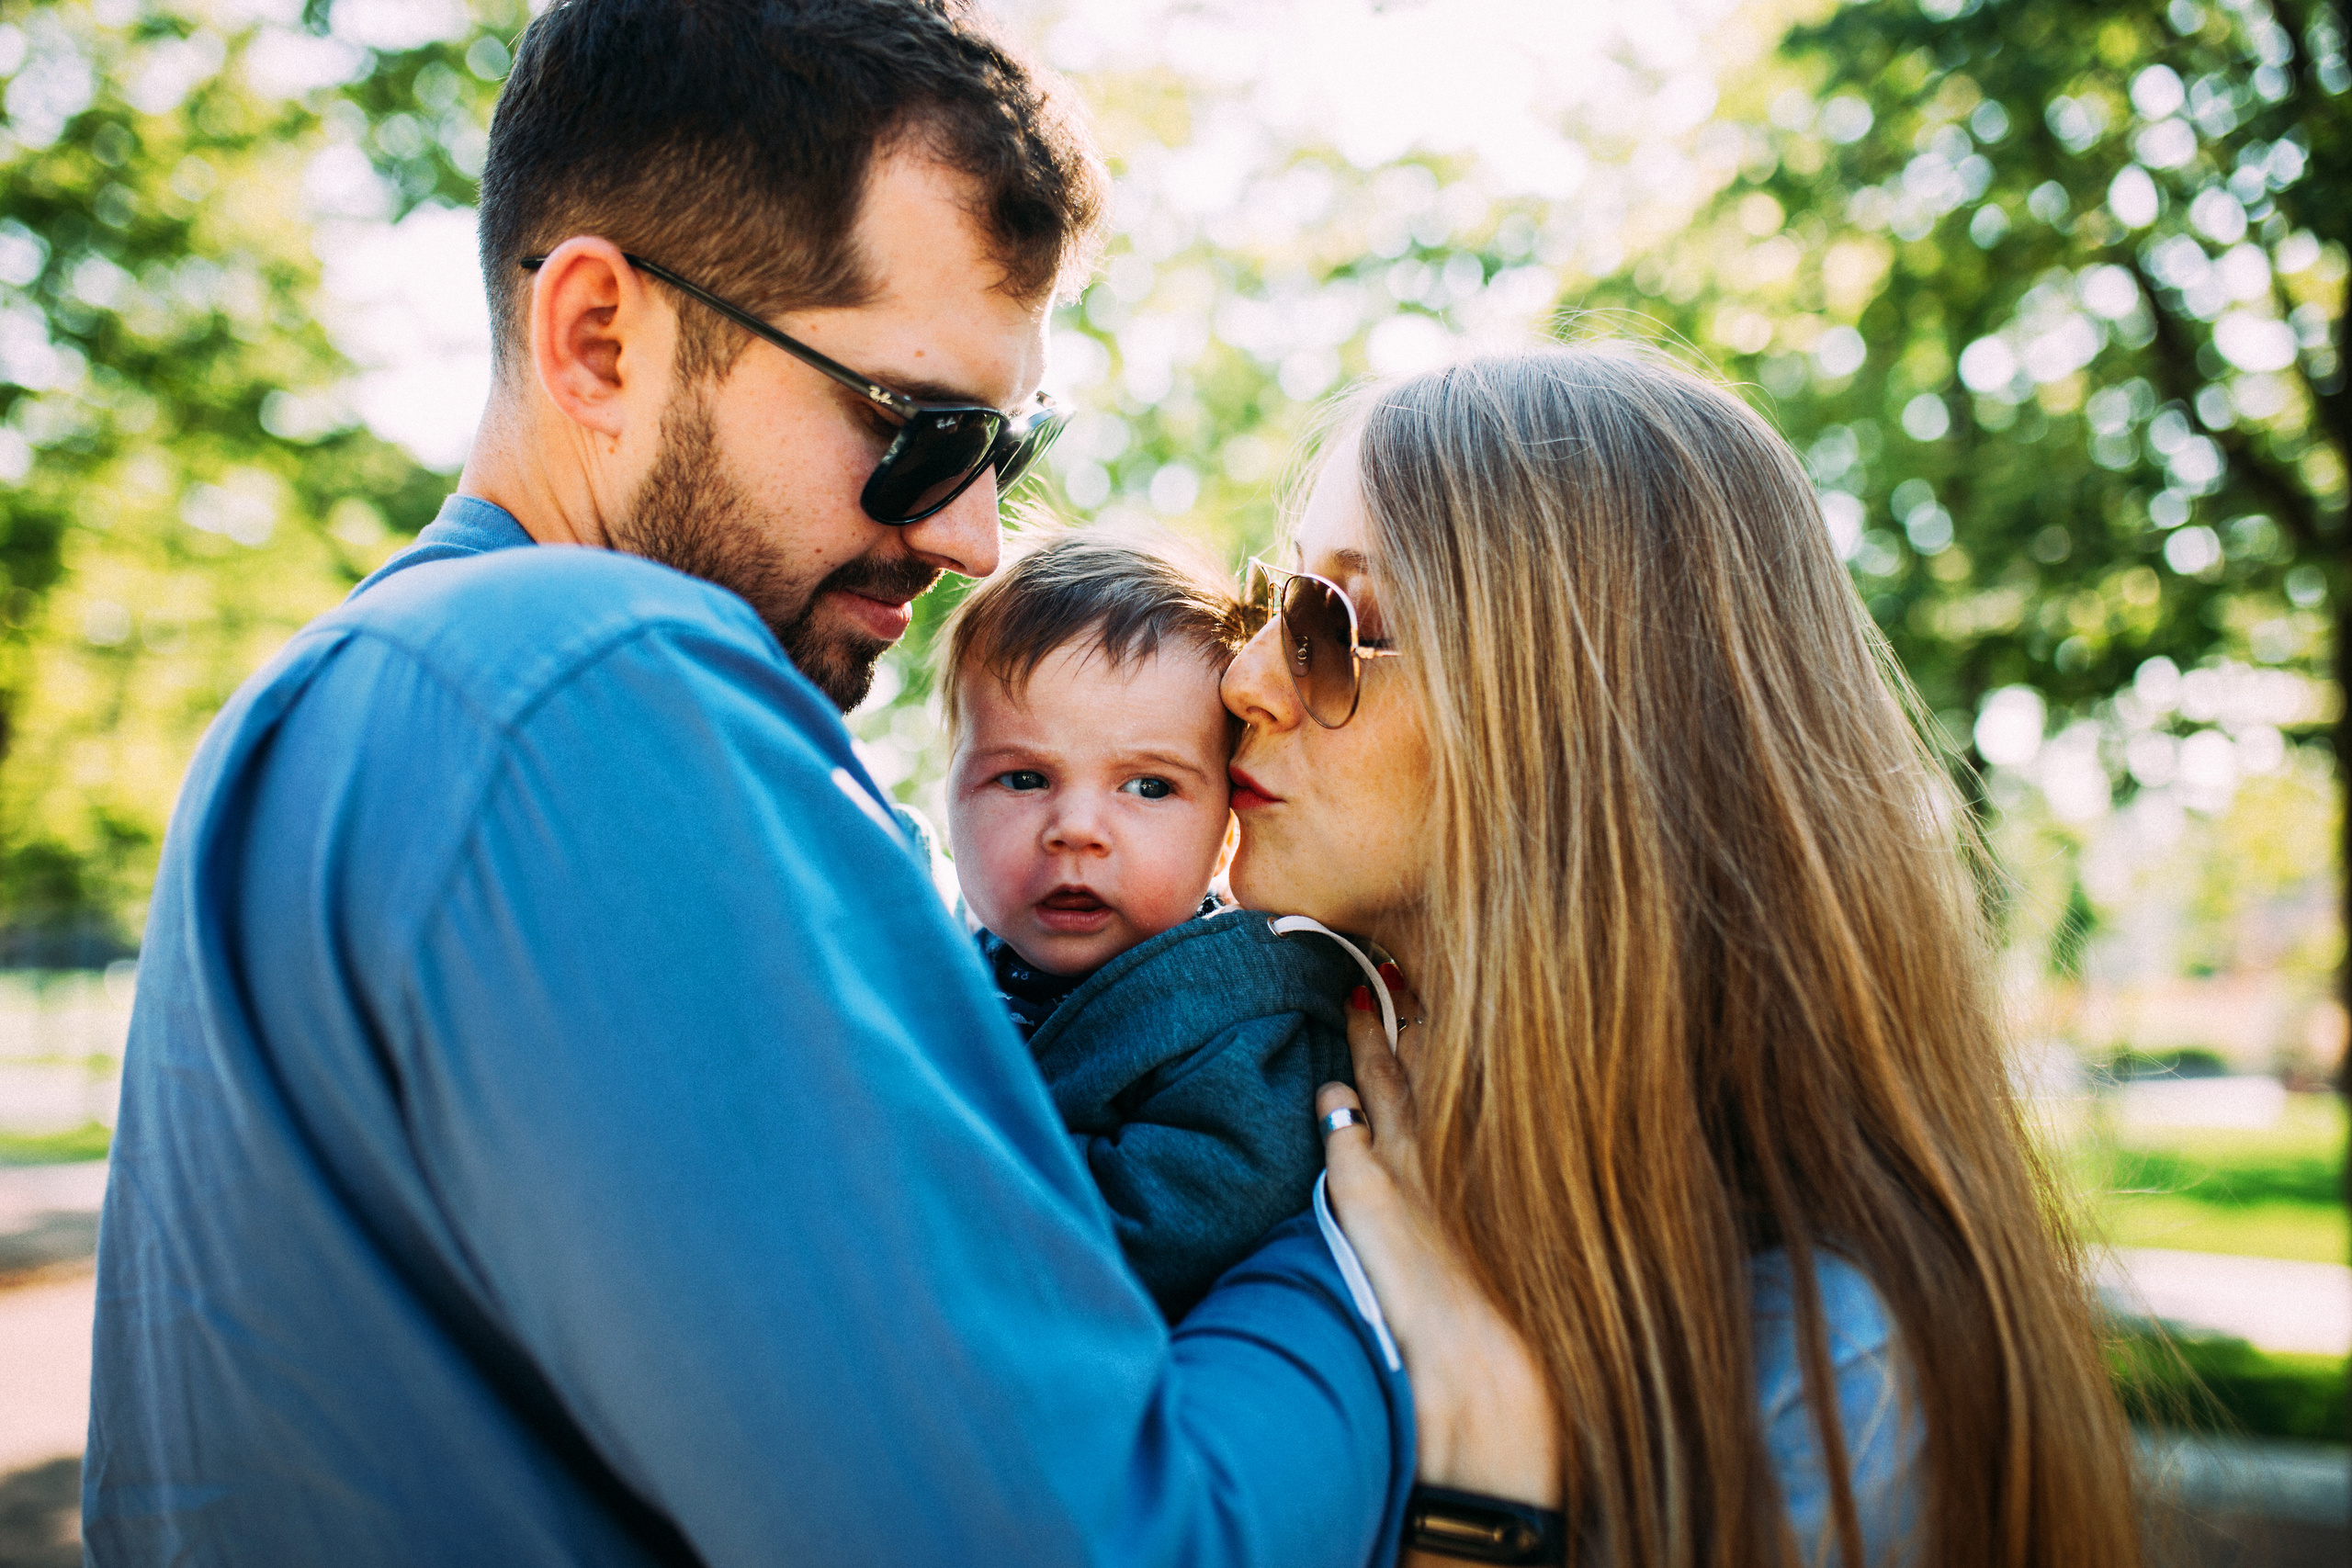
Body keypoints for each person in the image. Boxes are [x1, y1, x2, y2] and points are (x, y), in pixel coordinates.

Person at [82, 4, 1550, 1562]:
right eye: (921, 431)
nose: (973, 536)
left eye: (1007, 450)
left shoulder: (331, 711)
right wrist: (1376, 1277)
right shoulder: (597, 686)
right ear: (600, 337)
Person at [1243, 345, 2146, 1565]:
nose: (1243, 676)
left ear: (1578, 719)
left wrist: (1484, 1490)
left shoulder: (1826, 1373)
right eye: (1268, 604)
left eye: (1332, 625)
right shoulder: (1287, 1103)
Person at [940, 526, 1360, 1319]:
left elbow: (1173, 1228)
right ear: (951, 792)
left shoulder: (1244, 1019)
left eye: (1149, 787)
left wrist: (933, 1162)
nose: (1077, 828)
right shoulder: (938, 966)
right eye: (1024, 778)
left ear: (1227, 831)